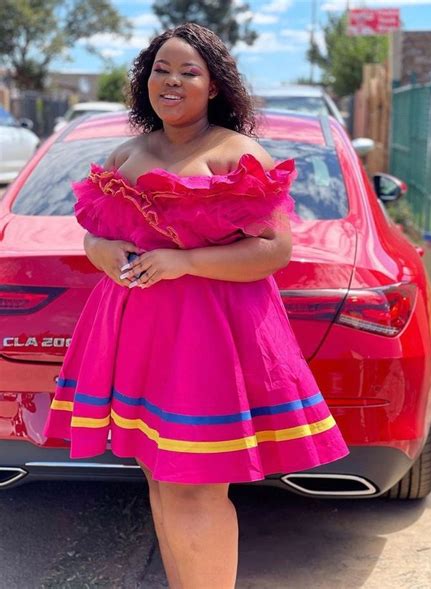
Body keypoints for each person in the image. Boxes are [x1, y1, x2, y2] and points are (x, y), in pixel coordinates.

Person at [43, 23, 349, 589]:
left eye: (189, 72)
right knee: (160, 477)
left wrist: (185, 263)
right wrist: (102, 248)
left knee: (194, 483)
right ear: (145, 81)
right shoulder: (124, 153)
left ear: (214, 87)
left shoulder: (237, 152)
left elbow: (275, 249)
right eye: (161, 69)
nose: (172, 81)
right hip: (135, 336)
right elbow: (93, 232)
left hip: (207, 341)